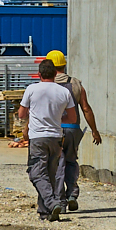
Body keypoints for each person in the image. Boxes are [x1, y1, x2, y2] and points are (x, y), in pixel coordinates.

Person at [42, 50, 101, 212]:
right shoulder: (76, 84)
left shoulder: (47, 85)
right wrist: (95, 130)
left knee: (57, 164)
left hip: (55, 130)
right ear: (64, 64)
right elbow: (86, 108)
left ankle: (60, 200)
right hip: (73, 129)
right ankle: (72, 194)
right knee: (71, 161)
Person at [15, 59, 73, 220]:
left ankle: (52, 203)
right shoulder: (64, 92)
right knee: (50, 174)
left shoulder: (32, 89)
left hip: (37, 138)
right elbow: (72, 117)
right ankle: (46, 212)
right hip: (56, 137)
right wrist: (56, 117)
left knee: (36, 174)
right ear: (55, 73)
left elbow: (21, 114)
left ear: (39, 74)